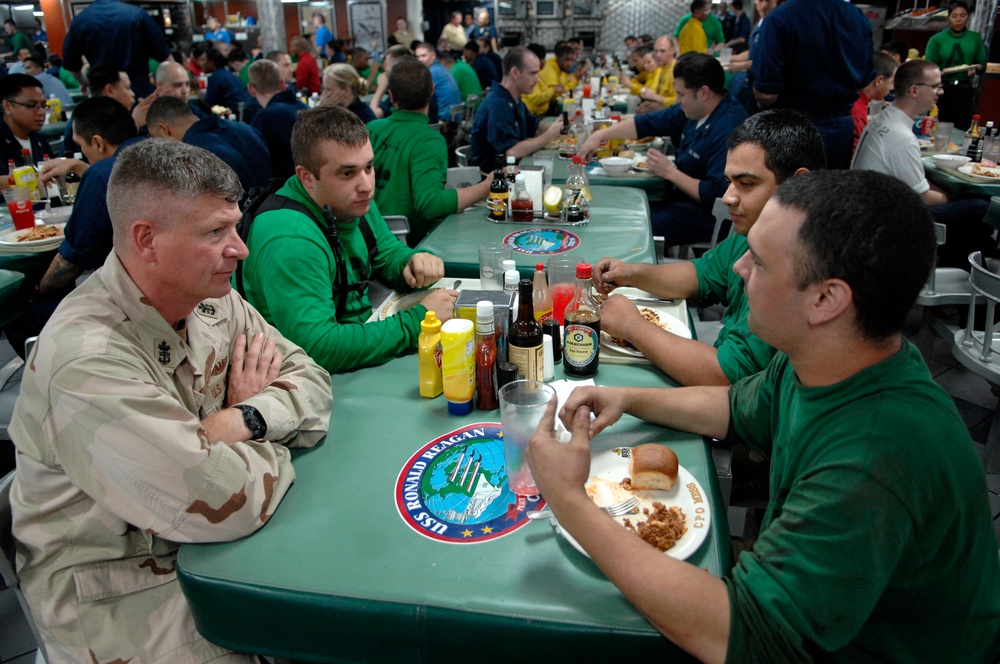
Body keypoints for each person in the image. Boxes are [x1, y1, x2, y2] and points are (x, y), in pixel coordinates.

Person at [527, 169, 1000, 663]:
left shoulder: (871, 460)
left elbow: (738, 633)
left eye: (759, 261)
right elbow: (734, 406)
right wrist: (626, 397)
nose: (739, 268)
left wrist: (568, 500)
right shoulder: (825, 360)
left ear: (826, 300)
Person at [9, 138, 332, 663]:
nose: (240, 249)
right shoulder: (87, 361)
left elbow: (313, 379)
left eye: (235, 227)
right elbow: (226, 503)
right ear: (147, 240)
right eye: (215, 232)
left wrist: (243, 418)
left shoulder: (210, 300)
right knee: (310, 629)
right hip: (121, 589)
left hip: (199, 544)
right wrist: (250, 442)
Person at [592, 109, 823, 386]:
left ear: (797, 184)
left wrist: (632, 326)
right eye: (729, 183)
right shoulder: (754, 231)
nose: (727, 197)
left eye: (746, 184)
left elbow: (726, 378)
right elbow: (703, 273)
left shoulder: (802, 270)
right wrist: (632, 273)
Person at [238, 105, 457, 373]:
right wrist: (419, 321)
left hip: (359, 343)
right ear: (307, 177)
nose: (366, 185)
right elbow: (318, 348)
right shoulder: (289, 237)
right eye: (347, 173)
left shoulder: (349, 201)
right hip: (304, 374)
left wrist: (411, 263)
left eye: (369, 167)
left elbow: (386, 253)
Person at [4, 97, 142, 359]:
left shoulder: (101, 175)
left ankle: (62, 372)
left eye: (82, 146)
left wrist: (36, 290)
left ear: (98, 142)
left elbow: (73, 259)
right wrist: (82, 167)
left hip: (137, 304)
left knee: (18, 311)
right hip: (186, 286)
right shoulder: (156, 152)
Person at [578, 53, 747, 246]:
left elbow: (717, 194)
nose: (677, 100)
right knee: (626, 205)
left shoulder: (728, 128)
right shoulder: (696, 110)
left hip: (708, 216)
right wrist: (600, 135)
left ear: (704, 93)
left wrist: (669, 172)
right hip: (681, 199)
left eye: (681, 94)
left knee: (633, 221)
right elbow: (649, 122)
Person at [852, 59, 993, 268]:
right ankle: (966, 270)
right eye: (935, 86)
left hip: (868, 206)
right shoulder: (901, 136)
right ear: (914, 90)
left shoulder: (885, 118)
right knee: (980, 206)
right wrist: (955, 196)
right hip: (884, 219)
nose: (940, 92)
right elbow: (924, 197)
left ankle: (963, 263)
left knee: (971, 219)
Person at [369, 58, 492, 246]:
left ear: (391, 96)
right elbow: (430, 204)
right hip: (411, 247)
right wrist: (487, 186)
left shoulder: (370, 129)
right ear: (432, 90)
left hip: (368, 238)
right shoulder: (429, 141)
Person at [751, 0, 874, 169]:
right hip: (841, 127)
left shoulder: (780, 18)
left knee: (792, 184)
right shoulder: (857, 17)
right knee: (831, 184)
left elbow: (767, 94)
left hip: (792, 127)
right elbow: (863, 83)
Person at [147, 95, 272, 200]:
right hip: (275, 211)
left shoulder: (191, 155)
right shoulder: (245, 128)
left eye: (156, 137)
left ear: (164, 129)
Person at [468, 46, 564, 171]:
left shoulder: (514, 99)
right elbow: (512, 152)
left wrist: (561, 128)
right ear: (515, 72)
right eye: (533, 73)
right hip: (495, 177)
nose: (537, 79)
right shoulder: (498, 104)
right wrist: (549, 136)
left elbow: (535, 127)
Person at [61, 0, 170, 98]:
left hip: (103, 95)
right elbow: (165, 57)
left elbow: (71, 65)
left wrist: (85, 83)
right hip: (139, 91)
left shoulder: (80, 21)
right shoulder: (138, 14)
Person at [925, 0, 987, 129]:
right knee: (939, 126)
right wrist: (938, 73)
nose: (958, 20)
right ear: (948, 18)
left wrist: (975, 69)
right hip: (942, 89)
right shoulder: (937, 39)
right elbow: (929, 66)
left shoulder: (974, 37)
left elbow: (982, 64)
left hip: (964, 90)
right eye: (954, 16)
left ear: (968, 17)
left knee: (962, 127)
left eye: (963, 15)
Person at [249, 59, 307, 178]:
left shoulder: (264, 118)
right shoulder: (302, 107)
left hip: (288, 183)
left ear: (251, 89)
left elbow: (255, 161)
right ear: (282, 83)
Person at [0, 74, 52, 175]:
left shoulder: (39, 139)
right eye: (31, 105)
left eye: (43, 105)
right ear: (7, 106)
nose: (41, 112)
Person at [851, 52, 897, 151]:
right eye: (892, 82)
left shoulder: (856, 102)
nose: (892, 88)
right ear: (879, 80)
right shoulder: (857, 111)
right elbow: (857, 155)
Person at [523, 43, 578, 116]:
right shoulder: (549, 70)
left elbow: (561, 89)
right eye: (567, 60)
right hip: (534, 115)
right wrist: (575, 81)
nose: (570, 64)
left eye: (572, 61)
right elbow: (537, 98)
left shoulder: (560, 70)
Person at [414, 43, 463, 121]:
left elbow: (418, 94)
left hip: (444, 119)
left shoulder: (431, 72)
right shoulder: (441, 68)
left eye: (424, 56)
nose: (420, 59)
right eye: (417, 57)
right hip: (455, 116)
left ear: (433, 56)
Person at [201, 48, 251, 116]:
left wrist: (197, 89)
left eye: (203, 60)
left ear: (211, 62)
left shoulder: (216, 77)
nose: (201, 64)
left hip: (230, 114)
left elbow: (209, 103)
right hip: (242, 112)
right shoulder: (229, 74)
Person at [635, 34, 678, 113]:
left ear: (672, 51)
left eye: (662, 51)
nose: (658, 55)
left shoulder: (676, 71)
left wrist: (654, 97)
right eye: (656, 51)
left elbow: (679, 102)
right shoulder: (662, 69)